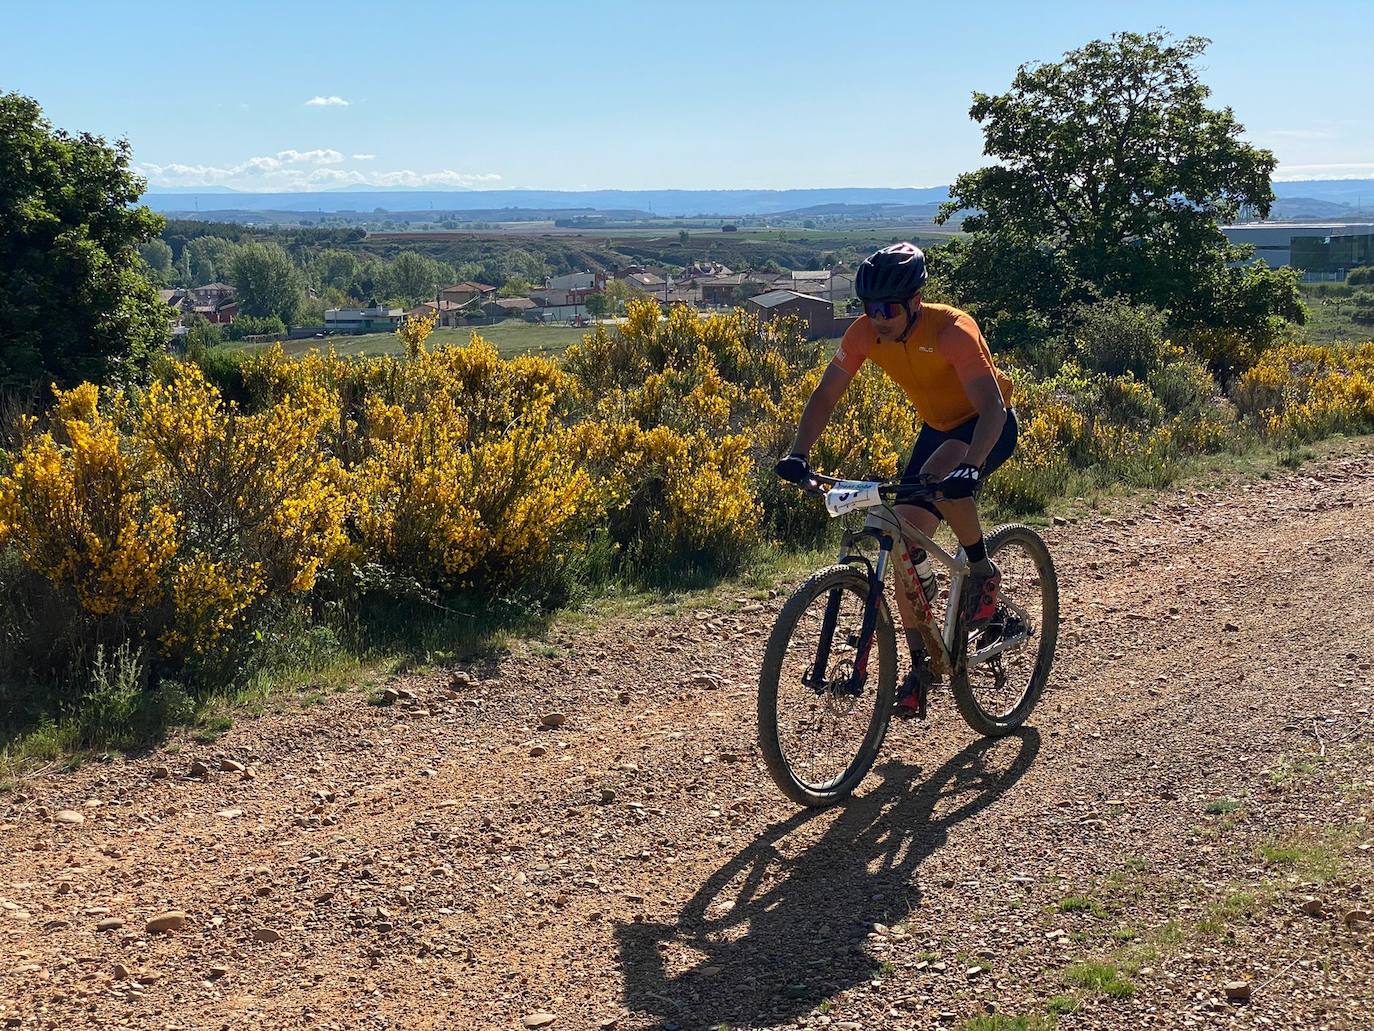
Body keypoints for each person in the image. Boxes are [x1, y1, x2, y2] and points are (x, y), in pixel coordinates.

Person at [774, 242, 1017, 716]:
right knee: (900, 535)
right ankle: (922, 662)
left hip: (987, 422)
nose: (878, 317)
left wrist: (971, 466)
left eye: (887, 308)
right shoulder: (864, 334)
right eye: (869, 307)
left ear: (914, 302)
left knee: (944, 475)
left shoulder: (952, 330)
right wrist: (798, 454)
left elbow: (991, 406)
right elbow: (826, 395)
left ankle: (982, 571)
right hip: (938, 427)